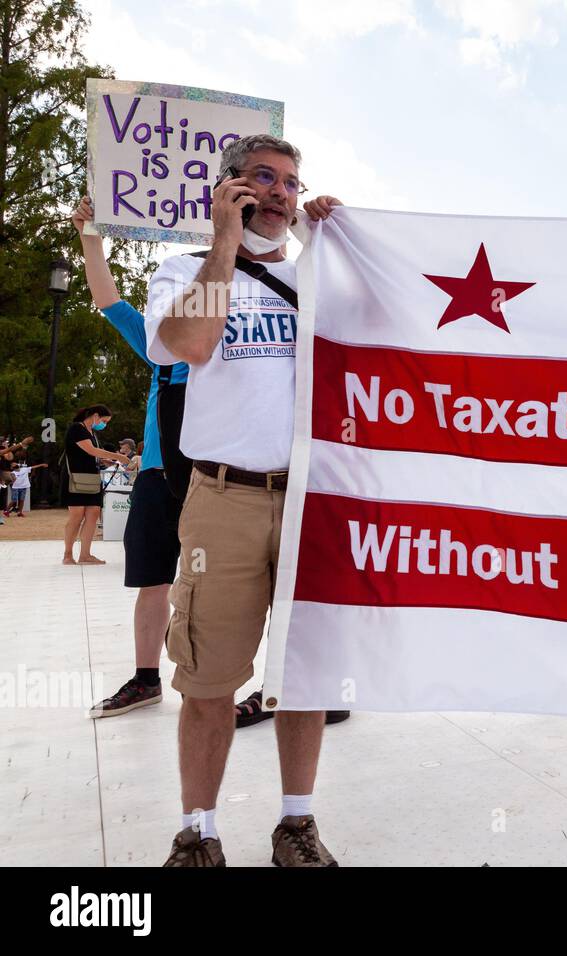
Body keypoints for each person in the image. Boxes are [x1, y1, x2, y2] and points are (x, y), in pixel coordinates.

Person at [144, 133, 343, 867]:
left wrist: (346, 240)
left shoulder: (317, 278)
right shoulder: (180, 271)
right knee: (208, 680)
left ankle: (296, 823)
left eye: (292, 182)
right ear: (230, 187)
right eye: (265, 178)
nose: (283, 192)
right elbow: (191, 344)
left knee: (303, 674)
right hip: (222, 499)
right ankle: (199, 830)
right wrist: (223, 241)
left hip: (309, 502)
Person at [71, 197, 190, 718]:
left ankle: (285, 682)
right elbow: (107, 298)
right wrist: (89, 234)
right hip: (160, 477)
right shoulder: (158, 342)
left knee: (250, 582)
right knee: (151, 580)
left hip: (219, 479)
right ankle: (146, 679)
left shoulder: (240, 348)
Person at [62, 405, 130, 565]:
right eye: (104, 420)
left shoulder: (91, 432)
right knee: (76, 515)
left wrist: (105, 460)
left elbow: (89, 454)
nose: (104, 424)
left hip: (92, 477)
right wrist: (118, 456)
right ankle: (68, 554)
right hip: (76, 478)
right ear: (95, 415)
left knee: (93, 513)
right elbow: (91, 450)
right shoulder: (76, 429)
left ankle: (85, 554)